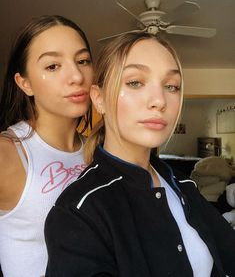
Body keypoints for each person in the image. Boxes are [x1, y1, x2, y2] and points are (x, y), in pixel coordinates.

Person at [45, 32, 235, 277]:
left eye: (171, 86)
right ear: (99, 98)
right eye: (135, 82)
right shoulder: (78, 213)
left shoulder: (184, 185)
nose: (159, 100)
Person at [0, 15, 93, 277]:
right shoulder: (8, 152)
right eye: (53, 66)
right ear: (24, 83)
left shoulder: (99, 152)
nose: (76, 76)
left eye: (83, 61)